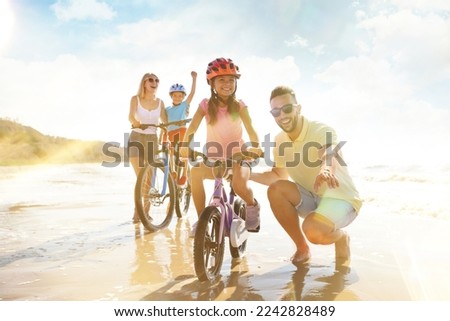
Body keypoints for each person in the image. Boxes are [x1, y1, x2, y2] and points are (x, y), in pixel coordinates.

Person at [250, 86, 362, 265]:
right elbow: (277, 175)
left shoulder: (320, 129)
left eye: (287, 108)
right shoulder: (279, 140)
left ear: (298, 108)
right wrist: (246, 175)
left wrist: (325, 169)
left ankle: (340, 237)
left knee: (312, 229)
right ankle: (302, 248)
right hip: (312, 197)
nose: (282, 115)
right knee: (276, 189)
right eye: (276, 111)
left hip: (341, 199)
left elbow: (328, 153)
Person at [180, 58, 262, 236]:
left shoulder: (240, 105)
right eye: (222, 80)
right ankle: (202, 220)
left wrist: (255, 147)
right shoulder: (205, 105)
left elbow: (251, 129)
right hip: (215, 160)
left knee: (240, 186)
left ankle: (252, 205)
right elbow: (192, 127)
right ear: (211, 83)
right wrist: (186, 145)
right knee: (195, 173)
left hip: (239, 157)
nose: (227, 84)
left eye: (231, 80)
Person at [128, 72, 168, 223]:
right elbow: (130, 116)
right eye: (150, 80)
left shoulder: (160, 102)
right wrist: (136, 122)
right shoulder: (135, 99)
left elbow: (165, 121)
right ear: (144, 83)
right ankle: (137, 212)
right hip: (136, 138)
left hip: (152, 139)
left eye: (157, 80)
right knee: (141, 178)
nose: (154, 82)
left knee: (150, 178)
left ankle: (144, 213)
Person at [165, 71, 197, 185]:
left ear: (183, 97)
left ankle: (184, 174)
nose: (177, 97)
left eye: (180, 95)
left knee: (184, 151)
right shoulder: (167, 109)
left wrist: (194, 78)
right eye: (175, 95)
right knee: (170, 150)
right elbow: (164, 122)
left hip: (182, 130)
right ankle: (173, 170)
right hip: (171, 132)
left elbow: (192, 93)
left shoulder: (184, 105)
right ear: (171, 96)